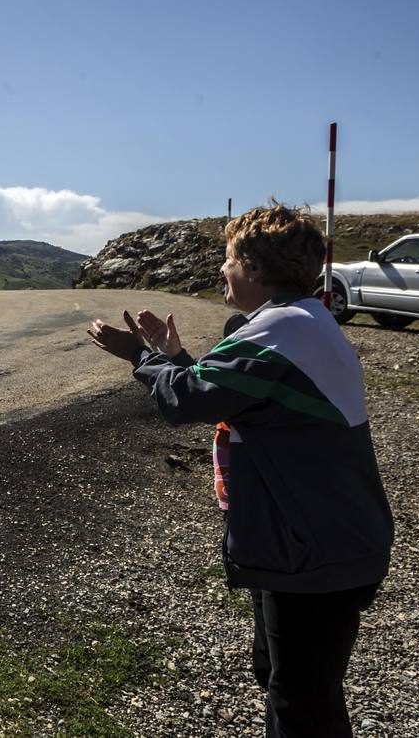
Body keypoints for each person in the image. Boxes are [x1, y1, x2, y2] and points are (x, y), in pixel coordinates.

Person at [87, 200, 393, 738]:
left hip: (312, 548)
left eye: (228, 260)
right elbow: (230, 396)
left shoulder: (281, 331)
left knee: (304, 704)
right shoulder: (300, 320)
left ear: (253, 268)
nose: (221, 271)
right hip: (319, 537)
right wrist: (176, 359)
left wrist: (140, 356)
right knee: (283, 679)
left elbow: (189, 400)